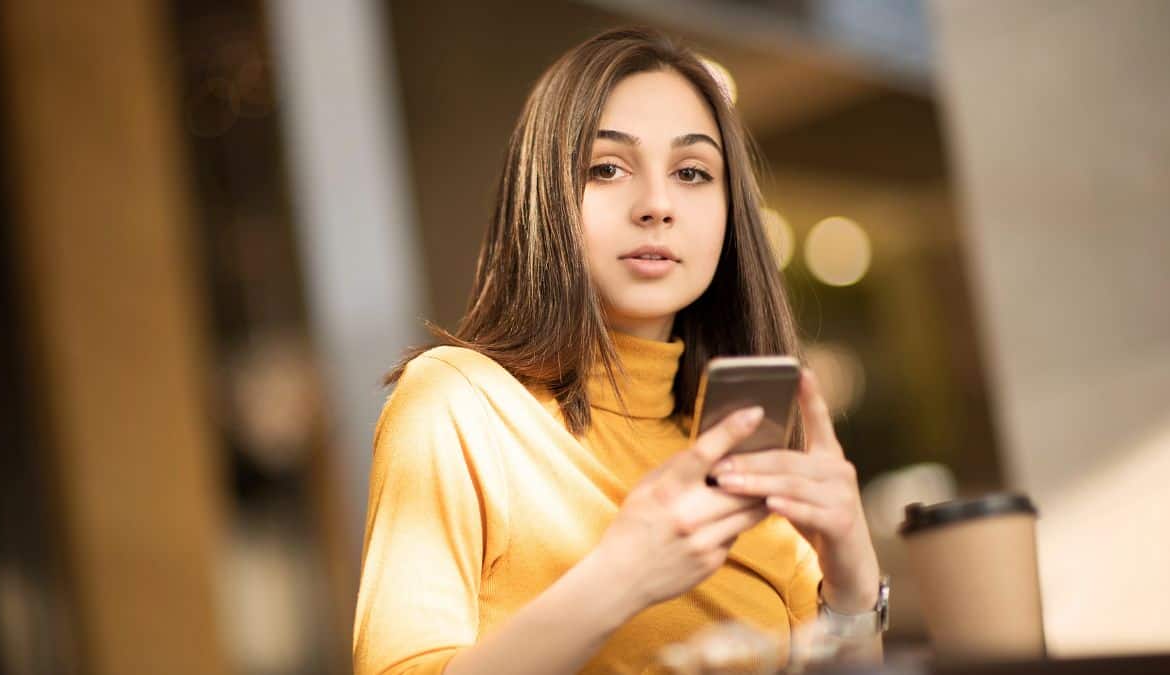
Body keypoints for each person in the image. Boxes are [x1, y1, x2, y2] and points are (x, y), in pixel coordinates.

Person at [353, 26, 884, 675]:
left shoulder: (740, 464)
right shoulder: (458, 404)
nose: (657, 205)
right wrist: (622, 574)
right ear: (545, 195)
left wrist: (853, 582)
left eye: (692, 172)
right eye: (607, 168)